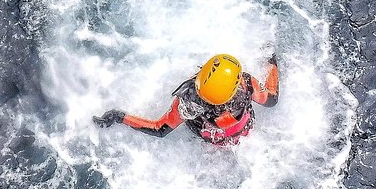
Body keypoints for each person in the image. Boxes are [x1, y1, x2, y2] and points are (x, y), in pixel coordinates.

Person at [93, 54, 279, 145]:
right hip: (246, 135)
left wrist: (119, 117)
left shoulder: (189, 103)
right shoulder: (246, 85)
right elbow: (271, 99)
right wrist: (272, 62)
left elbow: (159, 129)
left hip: (211, 143)